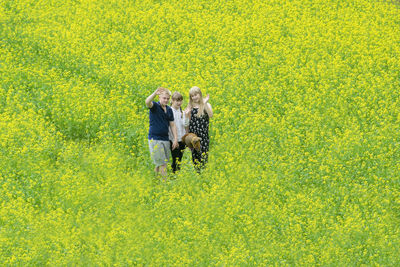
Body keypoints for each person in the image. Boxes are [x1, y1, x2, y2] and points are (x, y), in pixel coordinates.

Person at [145, 87, 178, 179]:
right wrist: (154, 93)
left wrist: (175, 139)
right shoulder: (155, 106)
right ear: (159, 97)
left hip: (165, 139)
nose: (166, 100)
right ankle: (165, 184)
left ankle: (155, 180)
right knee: (163, 164)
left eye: (168, 98)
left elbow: (172, 125)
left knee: (159, 163)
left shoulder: (169, 110)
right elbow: (147, 102)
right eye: (164, 98)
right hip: (155, 139)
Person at [185, 86, 213, 172]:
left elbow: (211, 115)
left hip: (203, 137)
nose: (194, 97)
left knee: (204, 157)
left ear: (200, 94)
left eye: (196, 95)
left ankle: (204, 175)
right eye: (192, 96)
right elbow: (187, 123)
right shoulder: (190, 107)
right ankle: (199, 175)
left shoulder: (206, 105)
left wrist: (204, 103)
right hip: (193, 137)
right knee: (195, 158)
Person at [168, 92, 187, 173]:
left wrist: (186, 115)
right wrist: (173, 140)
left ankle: (176, 175)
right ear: (172, 101)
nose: (179, 103)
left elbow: (185, 124)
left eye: (181, 101)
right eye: (177, 101)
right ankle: (174, 176)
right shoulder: (169, 111)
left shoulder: (182, 112)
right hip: (173, 140)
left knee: (179, 159)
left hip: (181, 139)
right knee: (175, 159)